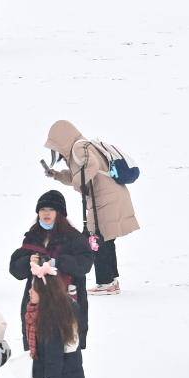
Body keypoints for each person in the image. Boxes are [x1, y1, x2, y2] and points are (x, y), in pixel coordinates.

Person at [38, 121, 141, 293]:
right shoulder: (84, 146)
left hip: (104, 199)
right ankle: (110, 282)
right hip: (111, 197)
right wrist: (57, 175)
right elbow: (80, 174)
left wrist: (79, 183)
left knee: (93, 241)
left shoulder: (78, 148)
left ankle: (99, 282)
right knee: (102, 240)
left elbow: (89, 168)